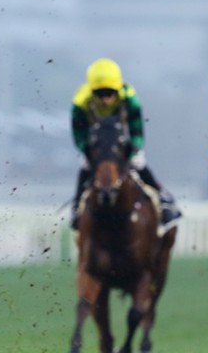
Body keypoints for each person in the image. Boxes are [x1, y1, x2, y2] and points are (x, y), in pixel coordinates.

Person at [69, 58, 181, 229]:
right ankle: (77, 207)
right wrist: (88, 151)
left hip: (120, 140)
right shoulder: (80, 103)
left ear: (118, 89)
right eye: (100, 93)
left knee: (138, 162)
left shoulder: (130, 99)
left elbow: (137, 132)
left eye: (109, 93)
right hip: (97, 143)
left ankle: (163, 199)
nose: (105, 99)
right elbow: (79, 136)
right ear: (92, 91)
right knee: (84, 165)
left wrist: (132, 149)